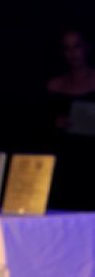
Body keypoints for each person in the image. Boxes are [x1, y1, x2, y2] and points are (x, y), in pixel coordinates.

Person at [44, 29, 95, 210]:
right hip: (64, 161)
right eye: (67, 48)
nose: (73, 53)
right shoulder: (55, 85)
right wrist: (55, 123)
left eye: (77, 47)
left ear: (87, 47)